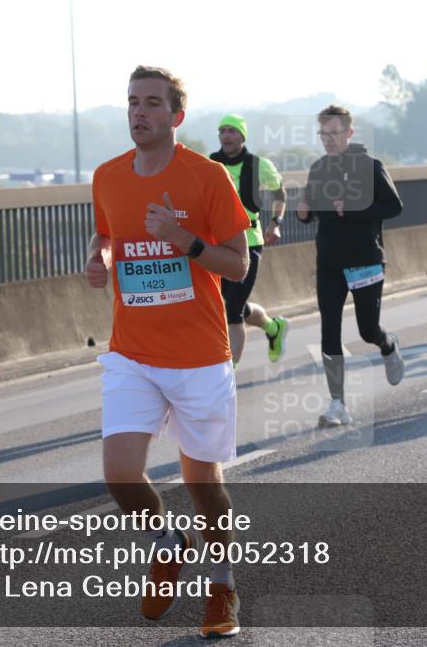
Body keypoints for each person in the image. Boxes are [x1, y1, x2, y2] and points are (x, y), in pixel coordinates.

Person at [85, 65, 248, 638]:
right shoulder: (107, 176)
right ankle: (166, 543)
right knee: (121, 475)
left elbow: (238, 263)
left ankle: (222, 587)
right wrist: (101, 258)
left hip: (199, 355)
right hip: (132, 353)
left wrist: (186, 242)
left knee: (206, 487)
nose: (139, 112)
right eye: (133, 101)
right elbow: (107, 233)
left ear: (177, 115)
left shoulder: (207, 177)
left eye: (152, 103)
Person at [296, 105, 405, 427]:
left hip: (365, 261)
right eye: (323, 133)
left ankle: (387, 345)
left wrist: (355, 208)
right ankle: (338, 404)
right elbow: (312, 208)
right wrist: (304, 212)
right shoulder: (318, 169)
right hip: (329, 262)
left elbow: (394, 206)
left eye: (334, 133)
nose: (328, 139)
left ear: (349, 133)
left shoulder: (370, 166)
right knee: (329, 329)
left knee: (367, 329)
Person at [209, 114, 290, 365]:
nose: (226, 136)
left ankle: (229, 373)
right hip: (218, 244)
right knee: (235, 305)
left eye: (232, 131)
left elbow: (280, 193)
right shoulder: (209, 164)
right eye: (222, 131)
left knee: (233, 311)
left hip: (250, 242)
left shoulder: (259, 165)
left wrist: (275, 223)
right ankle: (273, 328)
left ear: (242, 136)